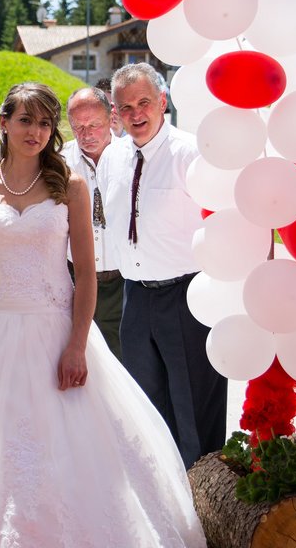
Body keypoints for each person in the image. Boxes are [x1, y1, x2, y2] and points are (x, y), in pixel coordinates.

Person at [0, 83, 206, 547]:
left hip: (57, 333)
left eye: (45, 122)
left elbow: (88, 276)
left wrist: (76, 345)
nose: (36, 131)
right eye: (26, 120)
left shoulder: (69, 185)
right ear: (4, 123)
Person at [102, 63, 228, 469]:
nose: (136, 114)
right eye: (125, 107)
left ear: (162, 101)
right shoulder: (112, 157)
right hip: (135, 298)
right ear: (114, 111)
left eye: (143, 103)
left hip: (188, 295)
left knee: (194, 412)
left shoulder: (192, 154)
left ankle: (206, 504)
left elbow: (223, 224)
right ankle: (162, 504)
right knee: (145, 410)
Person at [63, 87, 126, 361]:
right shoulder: (59, 163)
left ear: (111, 117)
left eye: (94, 125)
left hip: (124, 283)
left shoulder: (131, 157)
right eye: (78, 127)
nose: (86, 135)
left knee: (127, 371)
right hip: (74, 282)